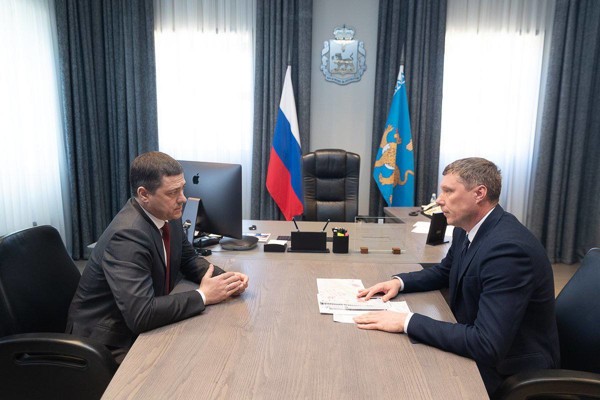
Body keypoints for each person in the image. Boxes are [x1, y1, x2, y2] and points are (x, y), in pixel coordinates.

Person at [354, 157, 559, 395]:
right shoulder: (467, 228)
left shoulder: (508, 251)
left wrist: (406, 321)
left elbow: (487, 344)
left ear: (479, 193)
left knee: (403, 382)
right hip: (481, 346)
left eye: (449, 191)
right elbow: (445, 271)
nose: (439, 200)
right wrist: (399, 282)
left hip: (508, 369)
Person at [66, 151, 249, 362]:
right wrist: (203, 295)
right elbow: (141, 314)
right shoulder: (127, 236)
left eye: (182, 188)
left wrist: (226, 281)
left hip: (137, 323)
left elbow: (188, 259)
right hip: (107, 340)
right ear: (144, 194)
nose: (182, 199)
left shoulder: (168, 214)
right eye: (173, 192)